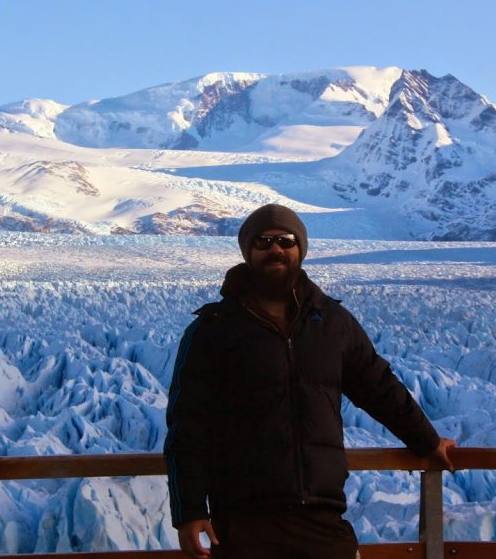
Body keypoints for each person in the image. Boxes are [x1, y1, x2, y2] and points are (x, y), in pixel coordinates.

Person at [164, 203, 455, 559]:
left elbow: (378, 386)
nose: (276, 249)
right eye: (264, 241)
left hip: (322, 517)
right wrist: (189, 511)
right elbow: (187, 424)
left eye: (285, 240)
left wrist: (426, 440)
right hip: (244, 523)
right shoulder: (213, 330)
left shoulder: (331, 322)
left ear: (300, 248)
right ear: (247, 251)